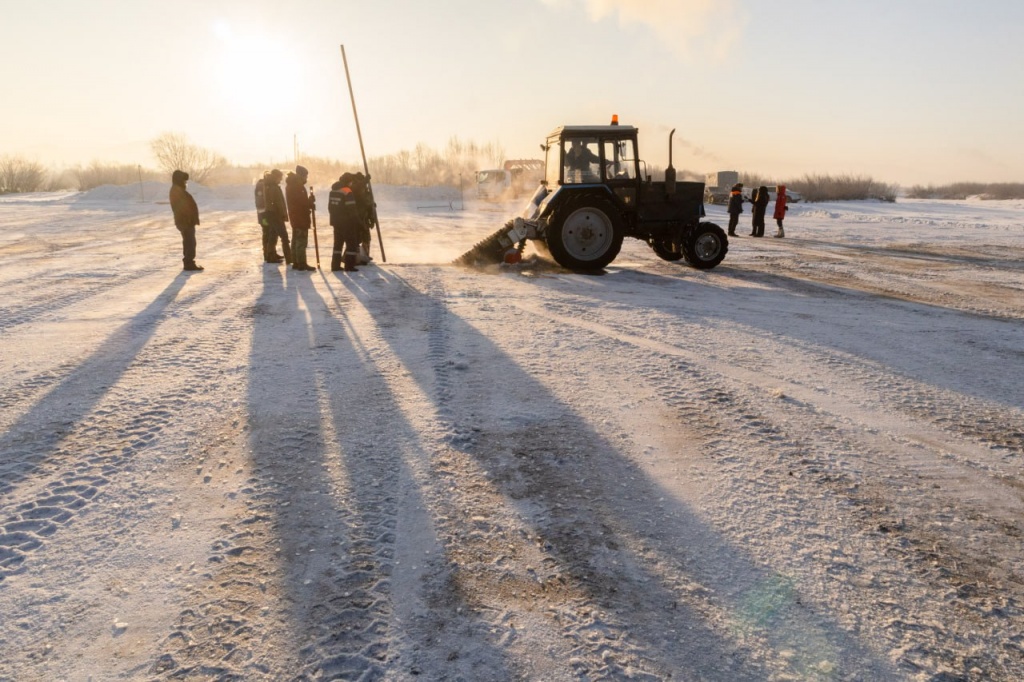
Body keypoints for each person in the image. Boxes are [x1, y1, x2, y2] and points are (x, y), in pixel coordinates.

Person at [168, 170, 203, 271]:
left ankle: (188, 262)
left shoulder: (178, 190)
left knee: (188, 242)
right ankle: (188, 263)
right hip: (185, 222)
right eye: (184, 180)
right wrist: (187, 219)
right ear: (180, 180)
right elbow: (181, 207)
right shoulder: (177, 191)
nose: (185, 183)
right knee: (190, 242)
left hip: (186, 221)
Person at [328, 173, 363, 272]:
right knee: (351, 244)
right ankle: (349, 266)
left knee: (337, 245)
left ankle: (335, 265)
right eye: (351, 181)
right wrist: (358, 222)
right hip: (347, 223)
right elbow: (352, 209)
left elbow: (330, 207)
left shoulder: (333, 190)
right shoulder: (347, 191)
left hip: (336, 222)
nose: (352, 184)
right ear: (348, 181)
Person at [285, 165, 317, 271]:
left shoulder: (292, 185)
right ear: (301, 176)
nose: (306, 179)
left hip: (296, 216)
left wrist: (309, 201)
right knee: (301, 241)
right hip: (300, 217)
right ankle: (301, 263)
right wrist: (310, 202)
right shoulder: (297, 186)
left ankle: (296, 262)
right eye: (305, 176)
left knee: (295, 240)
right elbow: (300, 202)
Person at [264, 169, 292, 265]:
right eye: (280, 178)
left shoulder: (270, 186)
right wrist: (281, 214)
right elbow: (277, 203)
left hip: (272, 214)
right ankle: (289, 258)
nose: (280, 180)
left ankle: (270, 256)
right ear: (276, 177)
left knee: (273, 235)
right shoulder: (273, 187)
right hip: (275, 215)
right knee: (284, 236)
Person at [255, 171, 282, 263]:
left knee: (271, 233)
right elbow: (260, 202)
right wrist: (266, 214)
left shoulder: (265, 184)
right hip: (265, 216)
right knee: (268, 233)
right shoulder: (262, 185)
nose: (280, 180)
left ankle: (271, 253)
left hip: (266, 215)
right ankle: (268, 255)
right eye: (279, 178)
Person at [350, 172, 374, 265]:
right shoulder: (354, 187)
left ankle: (365, 255)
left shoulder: (364, 188)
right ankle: (356, 256)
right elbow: (357, 190)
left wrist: (372, 218)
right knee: (356, 238)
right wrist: (365, 181)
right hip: (357, 217)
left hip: (364, 217)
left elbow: (368, 202)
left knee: (366, 238)